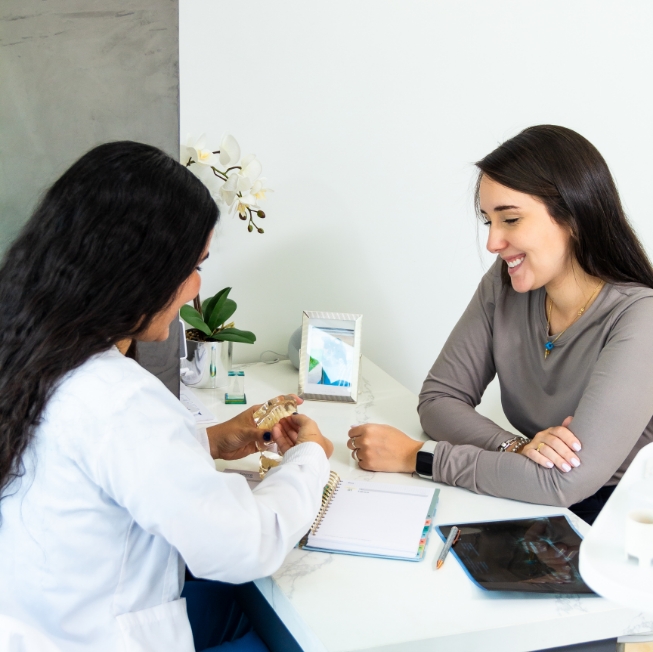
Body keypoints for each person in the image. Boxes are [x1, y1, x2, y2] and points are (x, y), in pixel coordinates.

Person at [0, 141, 333, 652]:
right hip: (100, 638)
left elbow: (96, 466)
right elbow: (244, 545)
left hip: (41, 625)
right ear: (141, 270)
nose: (197, 287)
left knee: (239, 610)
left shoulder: (29, 353)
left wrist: (212, 442)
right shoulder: (116, 396)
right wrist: (309, 460)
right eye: (194, 264)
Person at [340, 125, 653, 525]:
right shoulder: (504, 283)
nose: (493, 242)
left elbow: (564, 484)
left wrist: (416, 457)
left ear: (574, 217)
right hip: (524, 499)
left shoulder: (640, 316)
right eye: (489, 221)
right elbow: (439, 399)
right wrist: (515, 448)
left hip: (614, 528)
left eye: (511, 219)